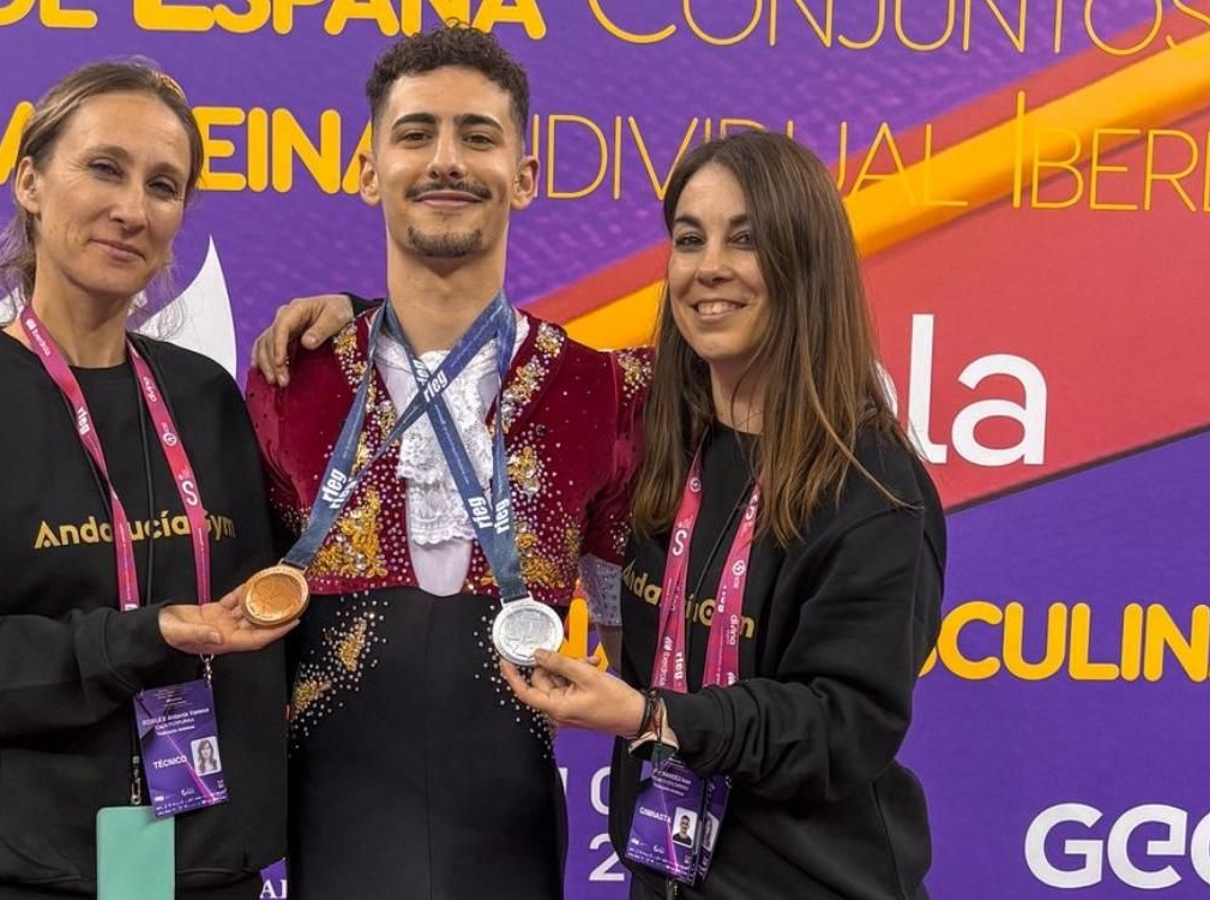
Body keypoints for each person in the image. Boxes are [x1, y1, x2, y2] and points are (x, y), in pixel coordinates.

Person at [0, 60, 291, 900]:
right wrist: (143, 638)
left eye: (164, 185)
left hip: (212, 870)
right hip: (28, 875)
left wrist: (353, 317)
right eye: (104, 168)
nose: (133, 209)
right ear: (30, 183)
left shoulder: (204, 396)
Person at [243, 26, 644, 900]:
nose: (447, 160)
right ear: (368, 169)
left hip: (511, 848)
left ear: (525, 176)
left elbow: (637, 657)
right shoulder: (290, 382)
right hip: (332, 845)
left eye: (478, 134)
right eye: (417, 133)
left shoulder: (603, 392)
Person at [499, 132, 946, 899]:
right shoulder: (657, 444)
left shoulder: (874, 488)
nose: (708, 267)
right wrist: (356, 319)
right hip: (668, 876)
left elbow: (841, 727)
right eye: (689, 239)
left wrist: (655, 716)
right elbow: (492, 364)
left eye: (745, 239)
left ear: (806, 263)